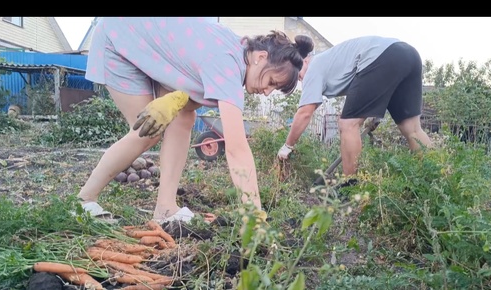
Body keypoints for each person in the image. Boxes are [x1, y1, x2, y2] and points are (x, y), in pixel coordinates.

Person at [77, 17, 314, 223]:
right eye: (272, 82)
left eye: (275, 89)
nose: (267, 91)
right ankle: (84, 200)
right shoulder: (227, 62)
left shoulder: (237, 51)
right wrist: (253, 214)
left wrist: (176, 99)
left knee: (183, 118)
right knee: (147, 133)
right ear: (261, 57)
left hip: (143, 41)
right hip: (119, 37)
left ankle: (165, 209)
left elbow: (190, 87)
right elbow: (237, 149)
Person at [277, 36, 432, 187]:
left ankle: (350, 185)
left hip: (382, 56)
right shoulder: (330, 60)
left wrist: (288, 146)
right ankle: (437, 177)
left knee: (347, 124)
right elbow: (367, 90)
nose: (299, 79)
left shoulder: (313, 67)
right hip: (407, 54)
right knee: (412, 129)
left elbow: (305, 113)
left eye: (297, 74)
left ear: (303, 61)